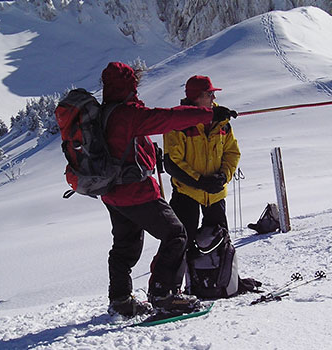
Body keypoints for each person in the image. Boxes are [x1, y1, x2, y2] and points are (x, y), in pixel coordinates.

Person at [100, 62, 236, 317]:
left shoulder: (104, 111)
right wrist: (207, 115)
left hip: (111, 191)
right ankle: (164, 294)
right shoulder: (127, 113)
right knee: (176, 234)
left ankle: (119, 299)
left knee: (124, 245)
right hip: (135, 191)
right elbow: (167, 119)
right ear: (129, 85)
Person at [163, 75, 241, 292]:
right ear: (196, 98)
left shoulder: (221, 120)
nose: (213, 97)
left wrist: (223, 176)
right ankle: (172, 291)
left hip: (215, 194)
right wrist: (200, 182)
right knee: (181, 243)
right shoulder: (177, 123)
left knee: (219, 241)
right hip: (186, 193)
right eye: (209, 94)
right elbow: (173, 163)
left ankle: (223, 282)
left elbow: (232, 152)